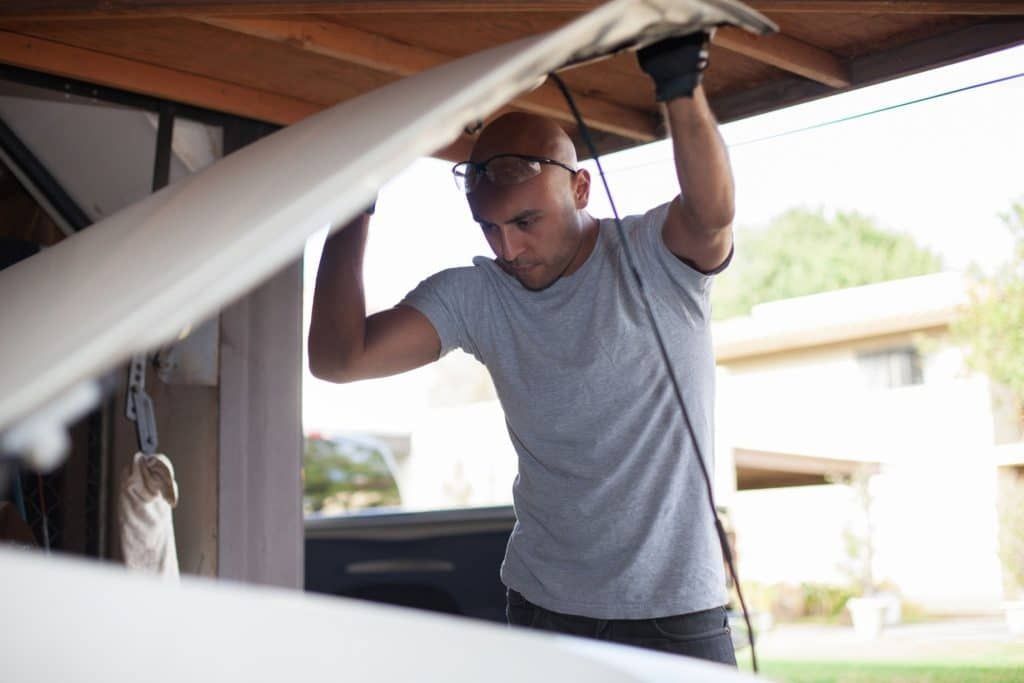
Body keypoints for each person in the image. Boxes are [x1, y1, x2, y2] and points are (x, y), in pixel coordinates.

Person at [309, 31, 737, 666]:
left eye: (526, 223)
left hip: (674, 609)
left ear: (581, 191)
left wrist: (680, 85)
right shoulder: (477, 295)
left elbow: (711, 215)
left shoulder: (654, 255)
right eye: (490, 227)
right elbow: (339, 360)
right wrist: (355, 201)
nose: (507, 250)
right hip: (543, 607)